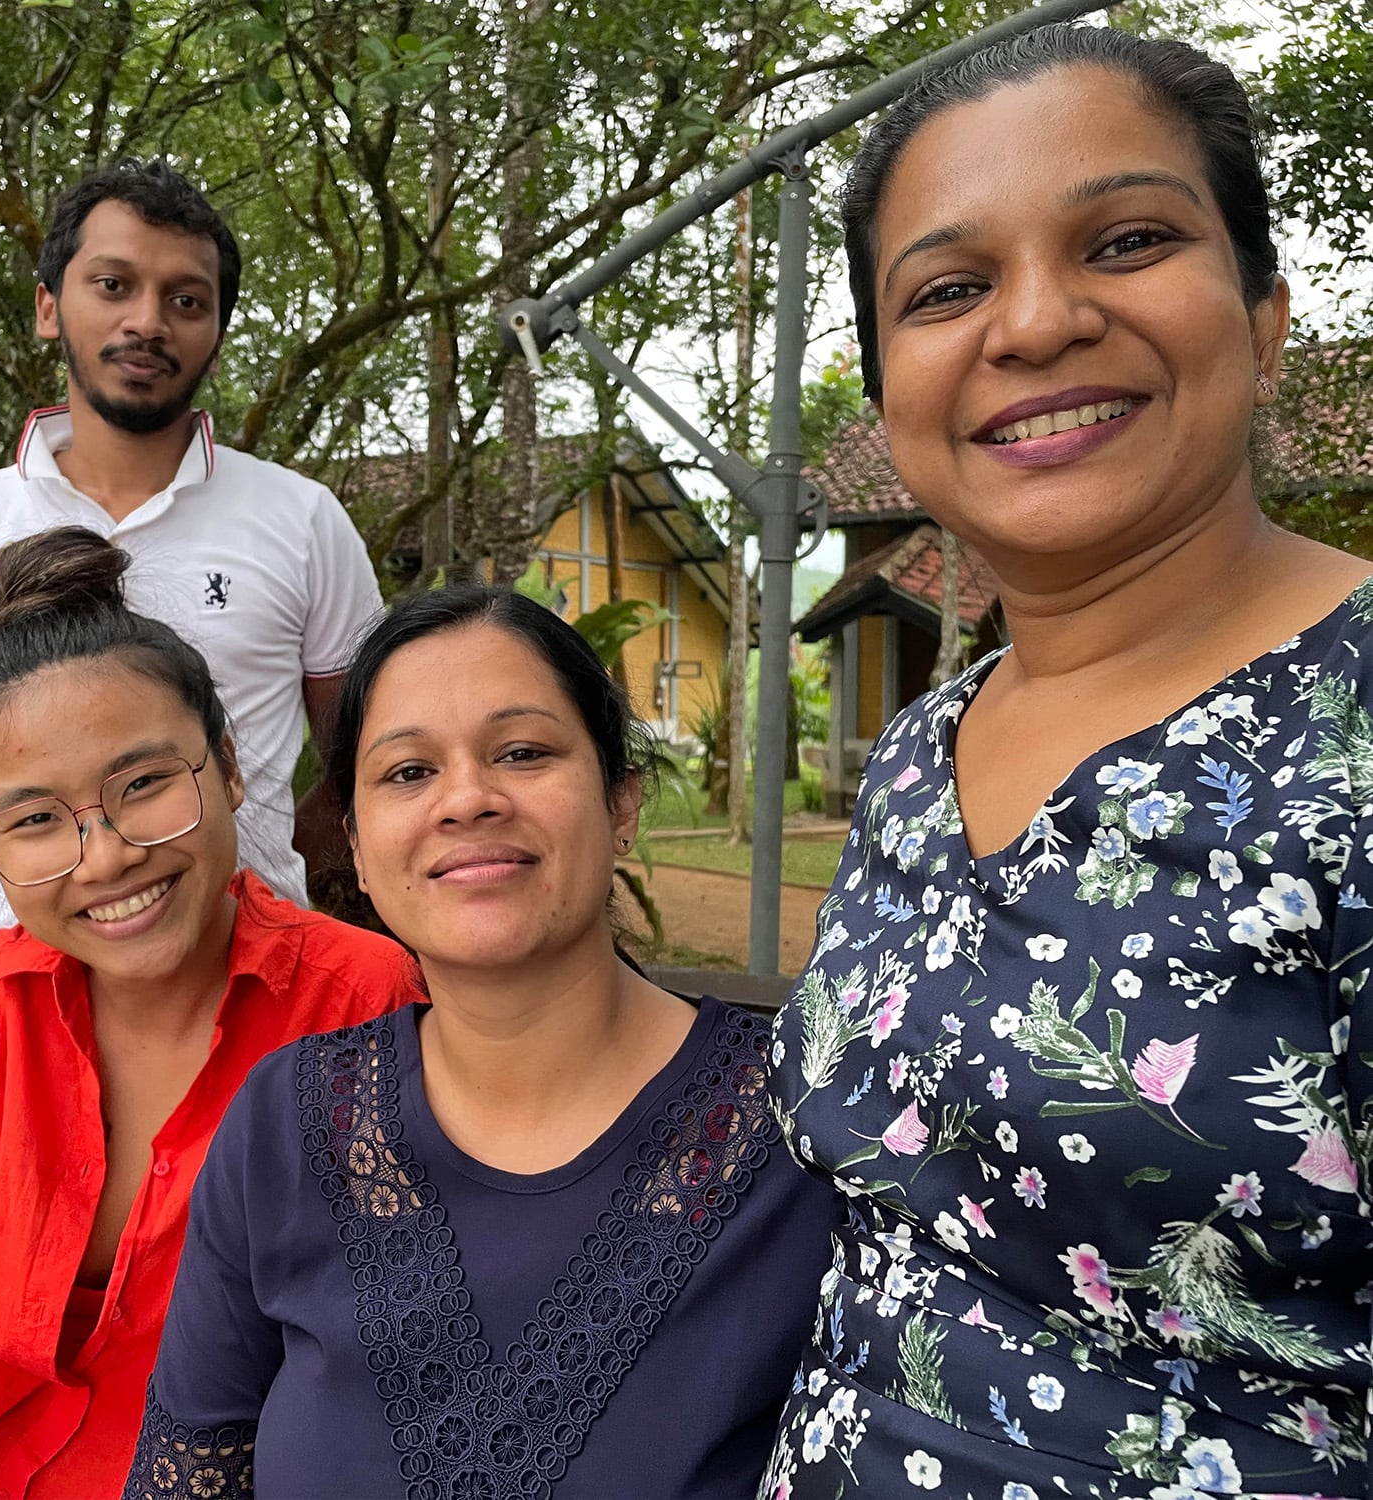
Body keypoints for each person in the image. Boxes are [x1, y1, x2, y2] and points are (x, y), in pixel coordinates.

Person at [760, 23, 1373, 1500]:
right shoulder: (919, 751)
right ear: (891, 385)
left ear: (1266, 314)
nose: (1033, 325)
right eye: (949, 289)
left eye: (1129, 239)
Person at [121, 585, 841, 1499]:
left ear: (622, 803)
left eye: (523, 752)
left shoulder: (809, 1126)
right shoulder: (287, 1125)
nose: (466, 799)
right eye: (408, 773)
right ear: (356, 842)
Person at [0, 528, 422, 1499]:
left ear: (227, 766)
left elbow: (398, 1346)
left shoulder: (360, 1005)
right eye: (37, 819)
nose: (106, 857)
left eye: (143, 786)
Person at [0, 156, 380, 940]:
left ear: (217, 335)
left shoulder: (304, 520)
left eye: (186, 299)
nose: (148, 322)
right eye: (114, 285)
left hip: (255, 967)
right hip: (16, 960)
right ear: (50, 308)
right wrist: (80, 895)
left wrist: (239, 870)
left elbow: (356, 766)